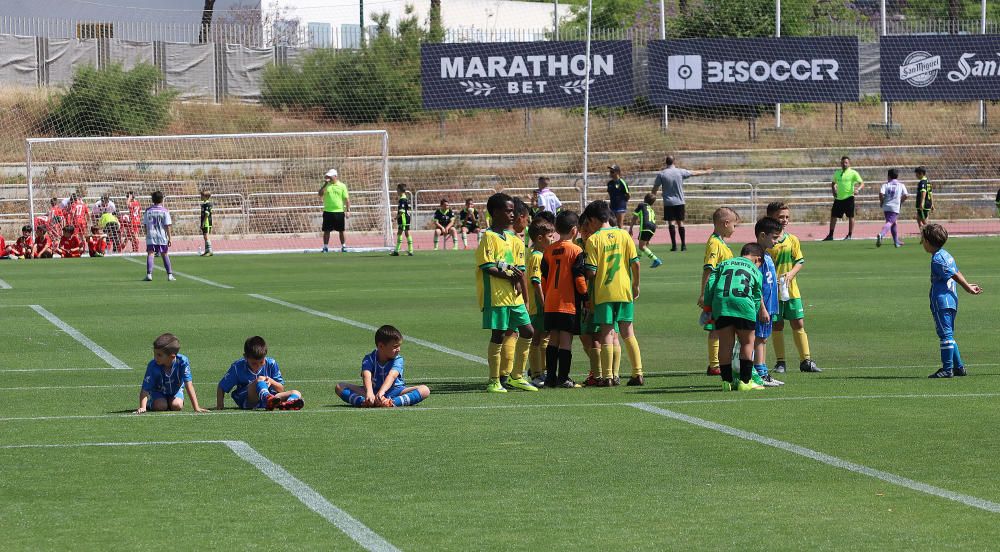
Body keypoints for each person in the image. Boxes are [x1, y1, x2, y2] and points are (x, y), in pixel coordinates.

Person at [476, 192, 537, 393]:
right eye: (508, 211)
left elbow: (519, 270)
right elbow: (487, 266)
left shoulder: (516, 240)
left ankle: (516, 376)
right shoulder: (489, 237)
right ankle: (494, 380)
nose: (512, 214)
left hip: (514, 297)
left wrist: (519, 284)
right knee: (499, 335)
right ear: (495, 212)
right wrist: (509, 276)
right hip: (496, 295)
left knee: (528, 331)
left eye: (513, 211)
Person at [583, 200, 644, 386]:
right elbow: (636, 263)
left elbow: (592, 272)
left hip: (604, 293)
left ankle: (608, 376)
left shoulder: (593, 240)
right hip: (624, 290)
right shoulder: (624, 235)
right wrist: (635, 285)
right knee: (628, 333)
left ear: (593, 219)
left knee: (607, 333)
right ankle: (638, 372)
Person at [920, 224, 983, 378]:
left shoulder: (937, 259)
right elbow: (956, 271)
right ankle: (959, 367)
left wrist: (967, 287)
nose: (921, 242)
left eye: (923, 239)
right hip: (951, 300)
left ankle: (947, 369)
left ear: (928, 242)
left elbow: (954, 275)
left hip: (942, 301)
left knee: (945, 335)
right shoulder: (946, 254)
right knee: (948, 334)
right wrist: (967, 284)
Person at [766, 202, 820, 373]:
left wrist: (791, 274)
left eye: (787, 217)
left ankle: (806, 360)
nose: (785, 220)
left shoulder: (792, 240)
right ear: (771, 217)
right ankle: (780, 362)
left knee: (798, 323)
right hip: (773, 292)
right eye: (780, 216)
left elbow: (799, 261)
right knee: (777, 325)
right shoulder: (767, 241)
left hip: (791, 290)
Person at [705, 243, 766, 391]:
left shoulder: (724, 263)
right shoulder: (756, 271)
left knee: (725, 344)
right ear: (758, 259)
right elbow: (757, 295)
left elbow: (711, 283)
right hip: (744, 304)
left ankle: (726, 382)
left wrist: (708, 304)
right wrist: (755, 312)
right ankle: (745, 382)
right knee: (746, 342)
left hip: (722, 303)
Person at [542, 210, 589, 388]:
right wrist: (585, 297)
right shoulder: (576, 250)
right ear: (574, 230)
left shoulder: (548, 250)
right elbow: (579, 278)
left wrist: (547, 298)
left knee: (553, 338)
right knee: (566, 340)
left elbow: (544, 279)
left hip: (550, 302)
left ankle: (550, 378)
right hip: (567, 303)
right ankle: (563, 378)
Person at [336, 325, 430, 407]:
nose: (399, 349)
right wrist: (369, 393)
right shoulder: (369, 358)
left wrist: (381, 393)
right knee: (340, 386)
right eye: (395, 346)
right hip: (373, 392)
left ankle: (392, 403)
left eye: (399, 346)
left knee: (425, 390)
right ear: (381, 346)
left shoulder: (398, 359)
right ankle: (364, 402)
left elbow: (391, 376)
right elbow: (366, 375)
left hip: (396, 392)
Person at [698, 207, 737, 377]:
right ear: (726, 223)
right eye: (734, 225)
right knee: (715, 327)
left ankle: (717, 363)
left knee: (720, 327)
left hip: (723, 293)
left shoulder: (721, 242)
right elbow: (709, 268)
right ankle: (714, 365)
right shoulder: (715, 243)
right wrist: (704, 293)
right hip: (716, 293)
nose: (734, 229)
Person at [216, 336, 303, 411]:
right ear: (245, 357)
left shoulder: (271, 363)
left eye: (261, 362)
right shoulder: (237, 367)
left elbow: (281, 389)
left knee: (296, 392)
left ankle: (285, 404)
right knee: (260, 379)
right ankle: (268, 399)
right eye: (254, 363)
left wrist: (271, 382)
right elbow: (222, 386)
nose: (258, 366)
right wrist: (220, 404)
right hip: (248, 401)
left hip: (270, 400)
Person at [651, 155, 713, 252]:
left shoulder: (662, 174)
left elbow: (655, 188)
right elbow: (694, 173)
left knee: (671, 222)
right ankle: (683, 245)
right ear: (674, 162)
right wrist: (706, 172)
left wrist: (651, 199)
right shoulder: (680, 171)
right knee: (680, 222)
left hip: (668, 202)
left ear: (665, 162)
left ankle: (674, 245)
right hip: (679, 201)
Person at [135, 333, 209, 414]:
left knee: (177, 406)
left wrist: (196, 407)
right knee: (160, 406)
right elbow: (145, 389)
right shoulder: (152, 365)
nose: (155, 357)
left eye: (159, 355)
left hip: (175, 391)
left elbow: (188, 384)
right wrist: (142, 407)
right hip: (158, 392)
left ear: (172, 356)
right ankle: (150, 403)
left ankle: (170, 402)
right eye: (154, 354)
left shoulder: (183, 362)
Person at [753, 217, 784, 387]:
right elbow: (755, 285)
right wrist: (762, 307)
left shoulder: (766, 255)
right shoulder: (756, 257)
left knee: (763, 338)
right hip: (761, 307)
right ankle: (760, 373)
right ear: (762, 235)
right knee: (759, 338)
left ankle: (762, 372)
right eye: (774, 237)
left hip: (770, 306)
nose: (776, 241)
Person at [526, 218, 556, 387]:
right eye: (550, 236)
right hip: (538, 306)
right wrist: (544, 304)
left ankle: (540, 370)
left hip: (537, 305)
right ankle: (537, 373)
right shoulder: (537, 257)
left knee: (542, 337)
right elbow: (536, 281)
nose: (552, 239)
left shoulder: (535, 254)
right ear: (539, 238)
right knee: (538, 338)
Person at [824, 156, 864, 240]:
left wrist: (858, 189)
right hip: (839, 199)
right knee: (833, 216)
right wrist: (834, 190)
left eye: (846, 162)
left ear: (849, 164)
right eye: (842, 163)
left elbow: (862, 183)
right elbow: (833, 183)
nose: (844, 164)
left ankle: (849, 235)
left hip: (849, 197)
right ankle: (830, 235)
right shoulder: (837, 173)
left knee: (851, 216)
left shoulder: (853, 173)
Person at [142, 190, 175, 282]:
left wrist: (147, 235)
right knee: (164, 254)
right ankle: (169, 275)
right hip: (161, 236)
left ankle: (149, 274)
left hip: (151, 235)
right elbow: (167, 225)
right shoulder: (165, 211)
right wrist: (170, 238)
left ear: (152, 200)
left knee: (150, 253)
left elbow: (145, 224)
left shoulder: (148, 211)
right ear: (162, 199)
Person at [318, 168, 349, 253]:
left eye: (330, 176)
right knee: (326, 231)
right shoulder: (326, 185)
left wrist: (348, 210)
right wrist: (325, 184)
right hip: (328, 211)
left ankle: (343, 246)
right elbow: (320, 194)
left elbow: (347, 199)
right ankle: (325, 247)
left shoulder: (342, 186)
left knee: (341, 230)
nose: (329, 178)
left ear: (335, 176)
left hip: (339, 212)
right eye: (328, 176)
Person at [629, 193, 663, 268]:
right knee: (644, 244)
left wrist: (631, 228)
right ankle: (637, 259)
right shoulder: (651, 209)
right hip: (653, 227)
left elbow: (635, 217)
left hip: (646, 226)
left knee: (642, 246)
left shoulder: (641, 205)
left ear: (644, 198)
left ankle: (656, 260)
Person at [877, 169, 908, 248]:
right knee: (890, 222)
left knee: (893, 223)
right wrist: (900, 201)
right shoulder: (901, 185)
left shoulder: (885, 185)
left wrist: (881, 201)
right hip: (895, 207)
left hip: (886, 206)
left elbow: (881, 193)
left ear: (889, 176)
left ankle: (896, 242)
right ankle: (881, 234)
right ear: (897, 176)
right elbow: (906, 195)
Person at [391, 184, 414, 256]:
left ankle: (397, 251)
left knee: (400, 233)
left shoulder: (402, 199)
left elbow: (402, 211)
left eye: (397, 190)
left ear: (400, 190)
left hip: (403, 218)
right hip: (406, 217)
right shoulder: (405, 198)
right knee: (406, 233)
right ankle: (410, 251)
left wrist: (395, 218)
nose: (396, 191)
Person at [915, 166, 933, 230]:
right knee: (918, 219)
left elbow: (924, 192)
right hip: (928, 203)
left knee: (924, 221)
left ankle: (931, 233)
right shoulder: (928, 181)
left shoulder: (922, 182)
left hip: (924, 204)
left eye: (916, 174)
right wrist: (932, 204)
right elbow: (930, 193)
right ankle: (924, 235)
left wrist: (922, 202)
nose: (916, 175)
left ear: (921, 173)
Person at [200, 190, 214, 257]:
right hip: (204, 222)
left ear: (205, 197)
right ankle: (206, 251)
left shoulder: (208, 204)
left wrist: (203, 222)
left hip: (207, 222)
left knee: (206, 236)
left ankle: (210, 251)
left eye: (202, 195)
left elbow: (207, 214)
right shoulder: (203, 204)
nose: (200, 197)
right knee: (205, 237)